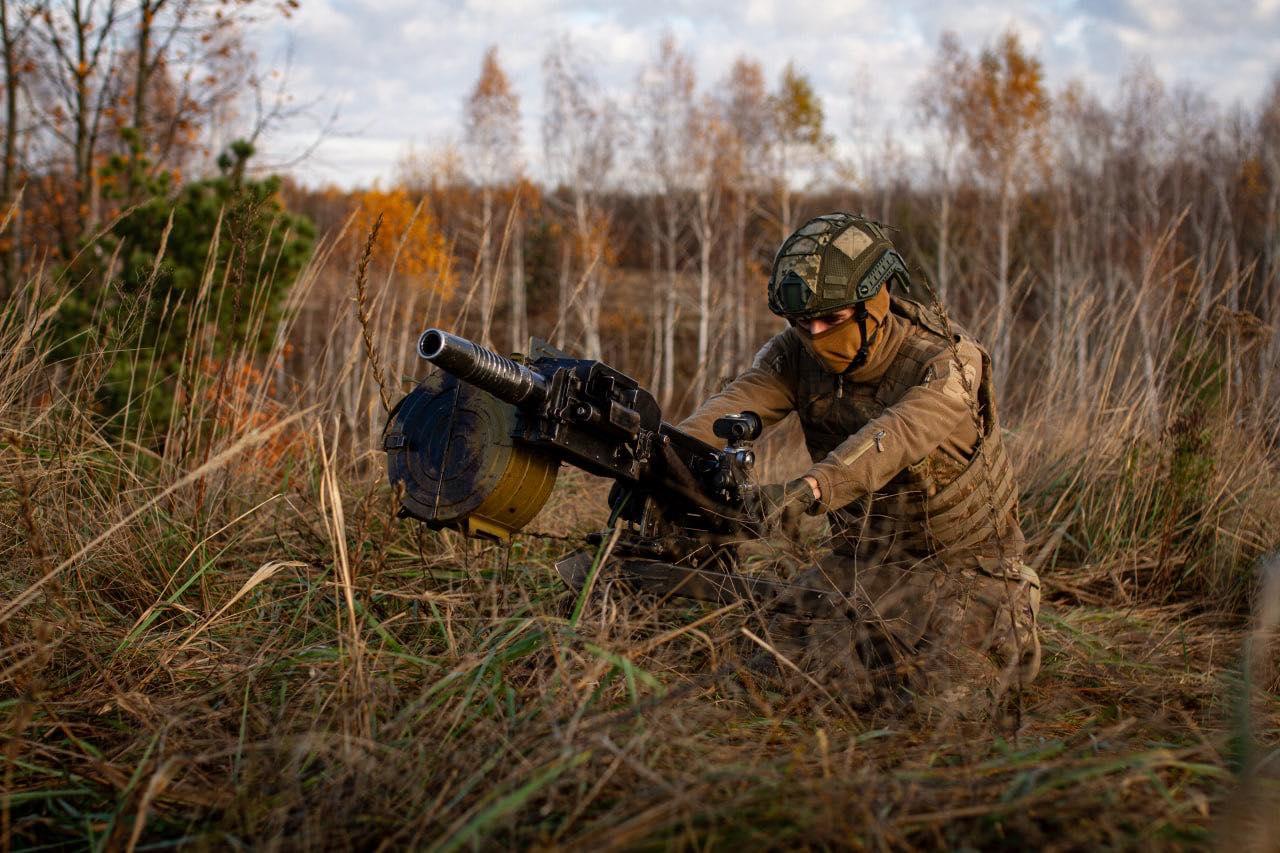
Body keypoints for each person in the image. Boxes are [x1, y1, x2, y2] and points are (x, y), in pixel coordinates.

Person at [678, 212, 1040, 714]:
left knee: (936, 708)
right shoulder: (795, 353)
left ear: (878, 300)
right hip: (863, 566)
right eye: (803, 323)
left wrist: (809, 490)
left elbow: (899, 435)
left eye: (833, 319)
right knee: (762, 671)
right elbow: (734, 405)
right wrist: (667, 453)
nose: (816, 334)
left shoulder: (949, 362)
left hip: (969, 571)